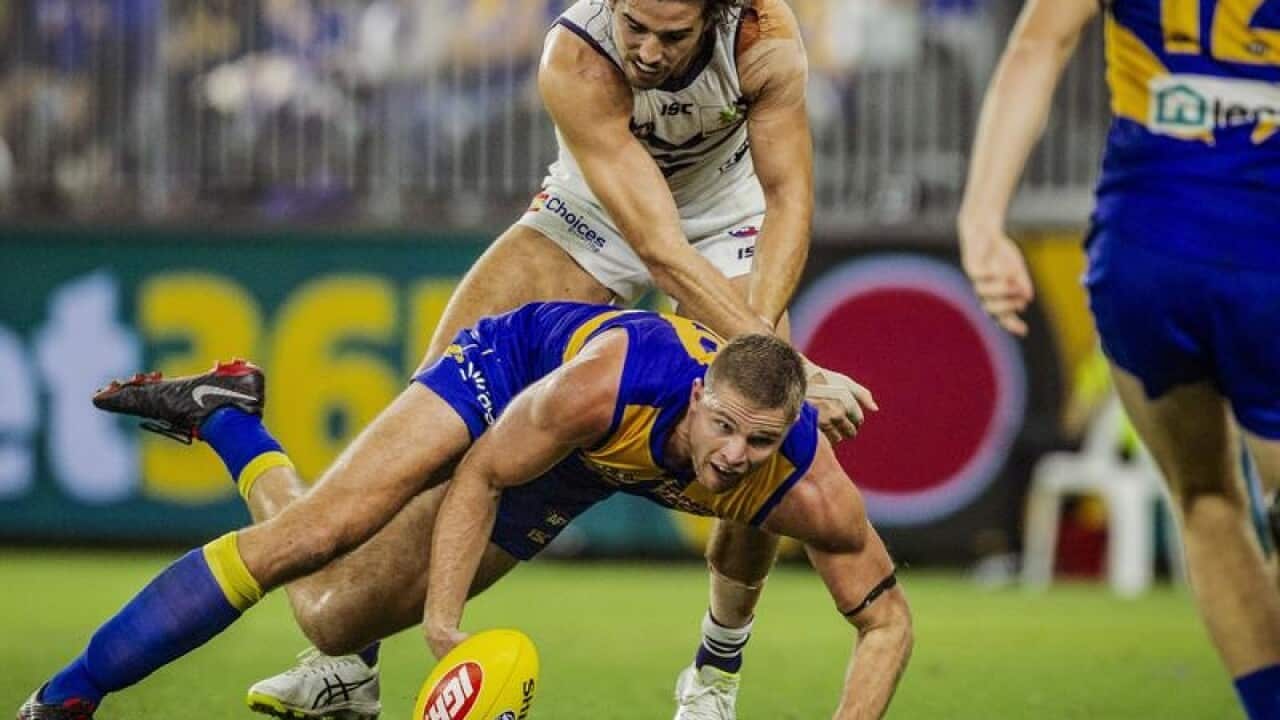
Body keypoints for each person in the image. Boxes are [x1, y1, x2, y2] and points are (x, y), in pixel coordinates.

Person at [243, 1, 875, 719]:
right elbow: (658, 249)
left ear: (714, 15)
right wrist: (801, 367)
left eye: (671, 36)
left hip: (728, 217)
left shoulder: (762, 39)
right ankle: (352, 665)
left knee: (761, 445)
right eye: (634, 25)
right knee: (436, 413)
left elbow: (789, 193)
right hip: (593, 210)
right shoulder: (573, 53)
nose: (645, 51)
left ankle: (714, 676)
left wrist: (774, 358)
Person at [17, 302, 913, 720]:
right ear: (697, 397)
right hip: (511, 377)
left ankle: (224, 415)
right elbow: (483, 476)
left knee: (330, 617)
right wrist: (445, 632)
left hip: (573, 472)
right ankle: (65, 696)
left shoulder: (800, 481)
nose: (734, 456)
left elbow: (888, 625)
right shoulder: (611, 387)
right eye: (723, 427)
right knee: (322, 533)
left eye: (761, 443)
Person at [956, 1, 1280, 717]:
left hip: (1145, 248)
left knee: (1204, 496)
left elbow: (1039, 44)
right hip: (1267, 241)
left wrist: (982, 218)